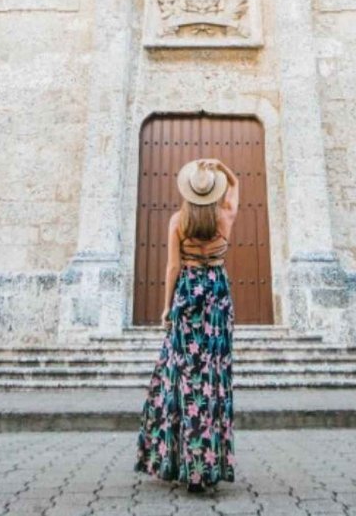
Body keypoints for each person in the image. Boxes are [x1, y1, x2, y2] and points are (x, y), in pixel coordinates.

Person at [134, 157, 239, 492]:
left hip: (188, 296)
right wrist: (222, 167)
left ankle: (182, 462)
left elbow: (172, 269)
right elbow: (236, 187)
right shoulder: (225, 217)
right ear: (214, 193)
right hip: (217, 298)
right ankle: (208, 465)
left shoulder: (178, 221)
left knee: (183, 380)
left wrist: (167, 308)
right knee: (213, 380)